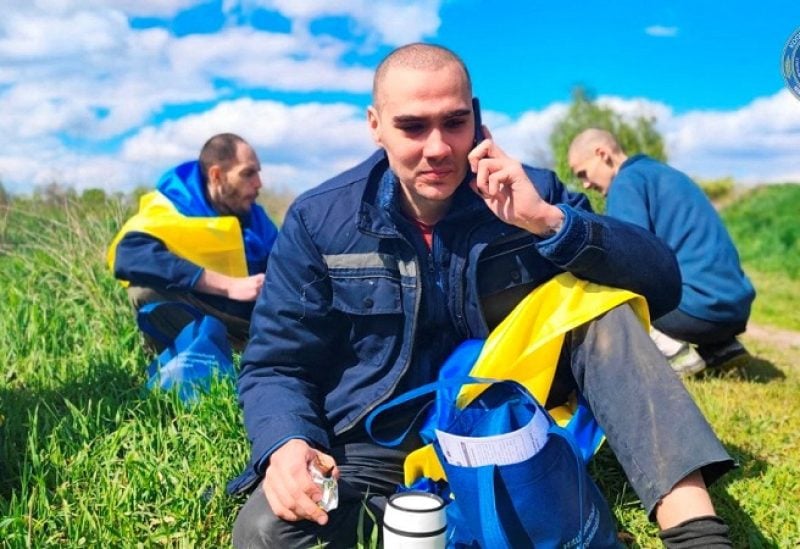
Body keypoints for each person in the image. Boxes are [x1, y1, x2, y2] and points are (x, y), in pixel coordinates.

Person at [230, 44, 735, 548]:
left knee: (600, 312)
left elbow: (664, 283)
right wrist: (287, 442)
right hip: (376, 448)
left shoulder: (533, 192)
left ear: (477, 118)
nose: (438, 148)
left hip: (514, 428)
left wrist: (548, 222)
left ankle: (696, 534)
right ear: (375, 124)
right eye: (412, 127)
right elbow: (277, 363)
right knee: (266, 532)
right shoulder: (319, 219)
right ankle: (454, 517)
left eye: (454, 122)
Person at [568, 128, 756, 376]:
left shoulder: (626, 182)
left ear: (602, 154)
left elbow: (622, 257)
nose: (586, 184)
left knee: (606, 286)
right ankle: (722, 347)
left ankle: (674, 351)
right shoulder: (667, 174)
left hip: (698, 310)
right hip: (734, 308)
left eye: (583, 173)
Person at [108, 133, 278, 352]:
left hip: (251, 322)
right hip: (197, 315)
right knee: (143, 291)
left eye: (258, 173)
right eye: (248, 174)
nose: (258, 183)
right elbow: (129, 256)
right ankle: (188, 361)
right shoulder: (171, 208)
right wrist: (229, 286)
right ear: (216, 175)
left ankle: (252, 354)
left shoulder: (255, 217)